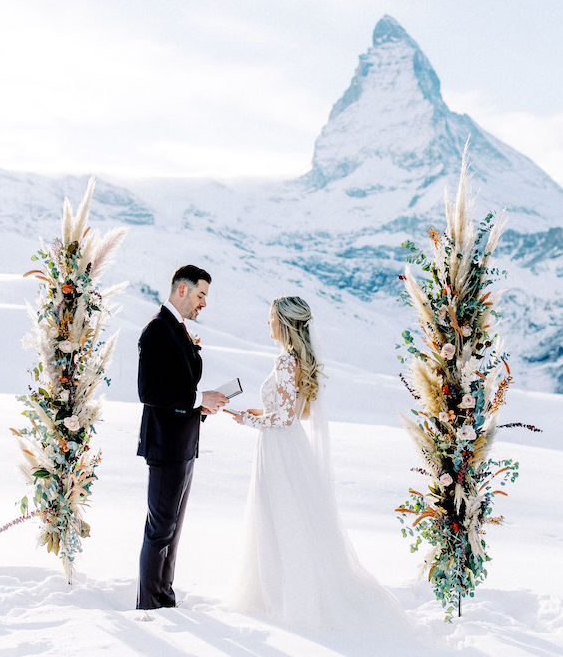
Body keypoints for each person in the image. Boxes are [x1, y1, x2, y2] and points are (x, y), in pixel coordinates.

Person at [227, 296, 407, 629]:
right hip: (290, 448)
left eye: (270, 318)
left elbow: (283, 420)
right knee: (292, 516)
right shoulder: (299, 360)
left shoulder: (284, 362)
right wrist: (263, 413)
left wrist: (246, 420)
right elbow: (300, 412)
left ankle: (283, 594)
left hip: (279, 449)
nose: (267, 323)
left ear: (282, 322)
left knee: (278, 516)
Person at [136, 264, 228, 610]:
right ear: (182, 290)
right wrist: (196, 399)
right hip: (165, 445)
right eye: (201, 294)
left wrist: (199, 407)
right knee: (159, 529)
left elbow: (177, 386)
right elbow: (149, 391)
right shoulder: (158, 329)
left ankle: (164, 596)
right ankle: (149, 604)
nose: (204, 302)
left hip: (185, 443)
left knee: (173, 531)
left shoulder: (179, 329)